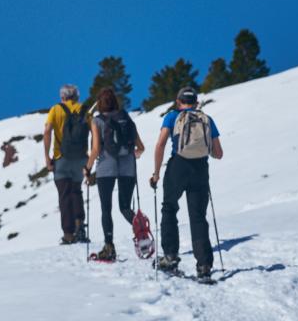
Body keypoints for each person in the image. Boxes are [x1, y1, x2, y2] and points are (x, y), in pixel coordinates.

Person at [150, 86, 223, 279]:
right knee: (198, 216)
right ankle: (204, 265)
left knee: (169, 208)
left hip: (178, 166)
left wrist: (156, 173)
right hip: (200, 168)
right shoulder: (207, 119)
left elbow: (160, 144)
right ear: (196, 102)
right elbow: (218, 153)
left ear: (178, 101)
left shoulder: (172, 117)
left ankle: (170, 256)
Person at [84, 87, 145, 261]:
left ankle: (109, 247)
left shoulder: (97, 121)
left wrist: (87, 169)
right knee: (125, 207)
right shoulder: (125, 117)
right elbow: (140, 148)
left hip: (106, 167)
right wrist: (132, 153)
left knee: (106, 208)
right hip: (128, 166)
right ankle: (142, 235)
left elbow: (95, 149)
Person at [44, 84, 90, 244]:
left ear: (63, 97)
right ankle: (80, 228)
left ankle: (68, 234)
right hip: (80, 158)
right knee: (76, 191)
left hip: (61, 158)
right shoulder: (83, 109)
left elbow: (47, 131)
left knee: (64, 196)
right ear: (76, 96)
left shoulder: (56, 109)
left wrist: (47, 157)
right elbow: (94, 131)